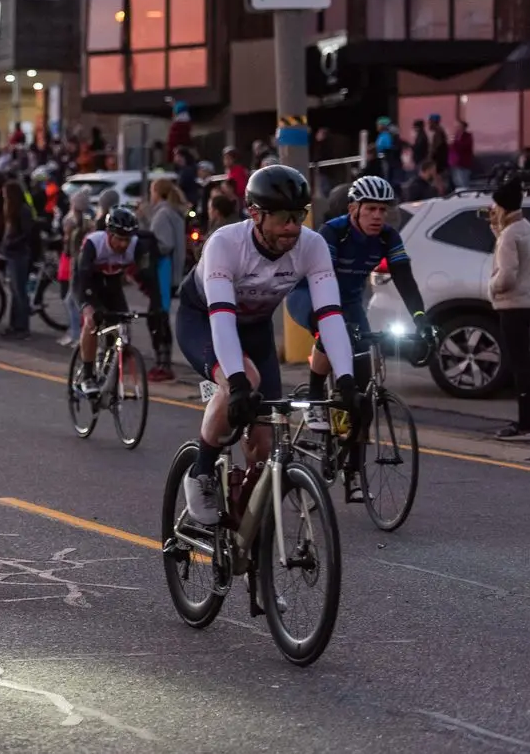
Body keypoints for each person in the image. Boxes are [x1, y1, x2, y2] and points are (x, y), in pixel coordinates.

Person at [175, 165, 359, 525]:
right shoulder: (225, 244)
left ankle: (245, 520)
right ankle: (200, 471)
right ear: (255, 214)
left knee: (266, 439)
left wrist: (347, 379)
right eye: (283, 218)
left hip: (255, 329)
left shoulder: (312, 245)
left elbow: (331, 315)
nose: (293, 227)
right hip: (204, 322)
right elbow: (222, 319)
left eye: (299, 216)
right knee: (246, 381)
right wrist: (238, 384)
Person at [285, 176, 432, 495]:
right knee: (328, 329)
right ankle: (314, 396)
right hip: (309, 295)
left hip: (349, 303)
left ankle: (352, 468)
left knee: (363, 390)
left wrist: (421, 320)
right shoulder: (334, 232)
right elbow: (323, 282)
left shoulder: (388, 237)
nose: (378, 216)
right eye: (371, 209)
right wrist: (337, 326)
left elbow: (404, 278)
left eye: (383, 210)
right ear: (354, 209)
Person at [73, 207, 166, 393]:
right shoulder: (94, 243)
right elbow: (83, 278)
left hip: (112, 283)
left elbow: (148, 277)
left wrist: (157, 305)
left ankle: (108, 370)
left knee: (123, 330)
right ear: (108, 233)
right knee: (92, 322)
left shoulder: (136, 245)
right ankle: (88, 375)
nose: (124, 244)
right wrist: (91, 307)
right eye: (119, 238)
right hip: (88, 283)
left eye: (127, 239)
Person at [488, 175, 530, 441]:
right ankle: (525, 423)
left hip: (512, 304)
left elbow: (507, 275)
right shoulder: (526, 227)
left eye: (495, 205)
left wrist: (492, 286)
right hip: (528, 301)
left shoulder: (509, 235)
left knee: (519, 364)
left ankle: (525, 427)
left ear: (503, 206)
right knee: (523, 361)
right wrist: (497, 232)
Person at [147, 179, 188, 380]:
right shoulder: (174, 213)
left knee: (157, 319)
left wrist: (148, 246)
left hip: (163, 273)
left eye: (152, 191)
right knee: (160, 318)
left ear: (157, 193)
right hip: (173, 273)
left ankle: (162, 363)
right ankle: (164, 362)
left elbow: (164, 244)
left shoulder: (163, 214)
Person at [0, 179, 37, 339]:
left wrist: (10, 244)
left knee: (20, 291)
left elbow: (27, 233)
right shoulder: (11, 210)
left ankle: (23, 327)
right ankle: (14, 324)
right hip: (12, 254)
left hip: (19, 254)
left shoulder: (23, 210)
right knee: (14, 292)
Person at [59, 186, 93, 347]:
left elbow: (69, 248)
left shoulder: (73, 224)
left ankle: (77, 334)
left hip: (77, 265)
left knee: (73, 301)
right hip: (80, 265)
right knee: (72, 301)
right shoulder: (87, 222)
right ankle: (75, 333)